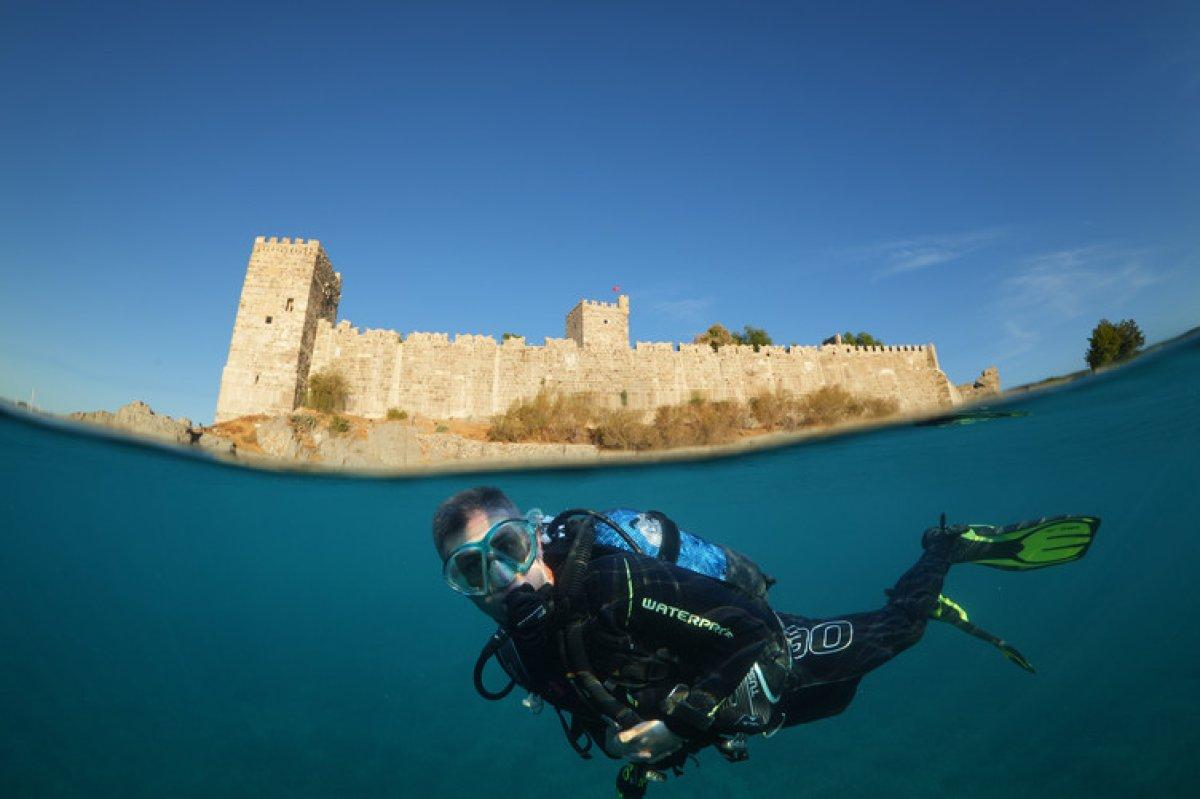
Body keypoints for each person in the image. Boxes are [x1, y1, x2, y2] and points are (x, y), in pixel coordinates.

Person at [432, 486, 1099, 797]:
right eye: (472, 569)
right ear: (460, 587)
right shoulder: (518, 658)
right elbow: (599, 707)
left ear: (533, 535)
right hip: (737, 703)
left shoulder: (613, 581)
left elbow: (750, 630)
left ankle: (946, 549)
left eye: (508, 548)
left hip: (769, 650)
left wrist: (680, 719)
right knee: (840, 700)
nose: (502, 578)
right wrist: (629, 745)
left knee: (900, 629)